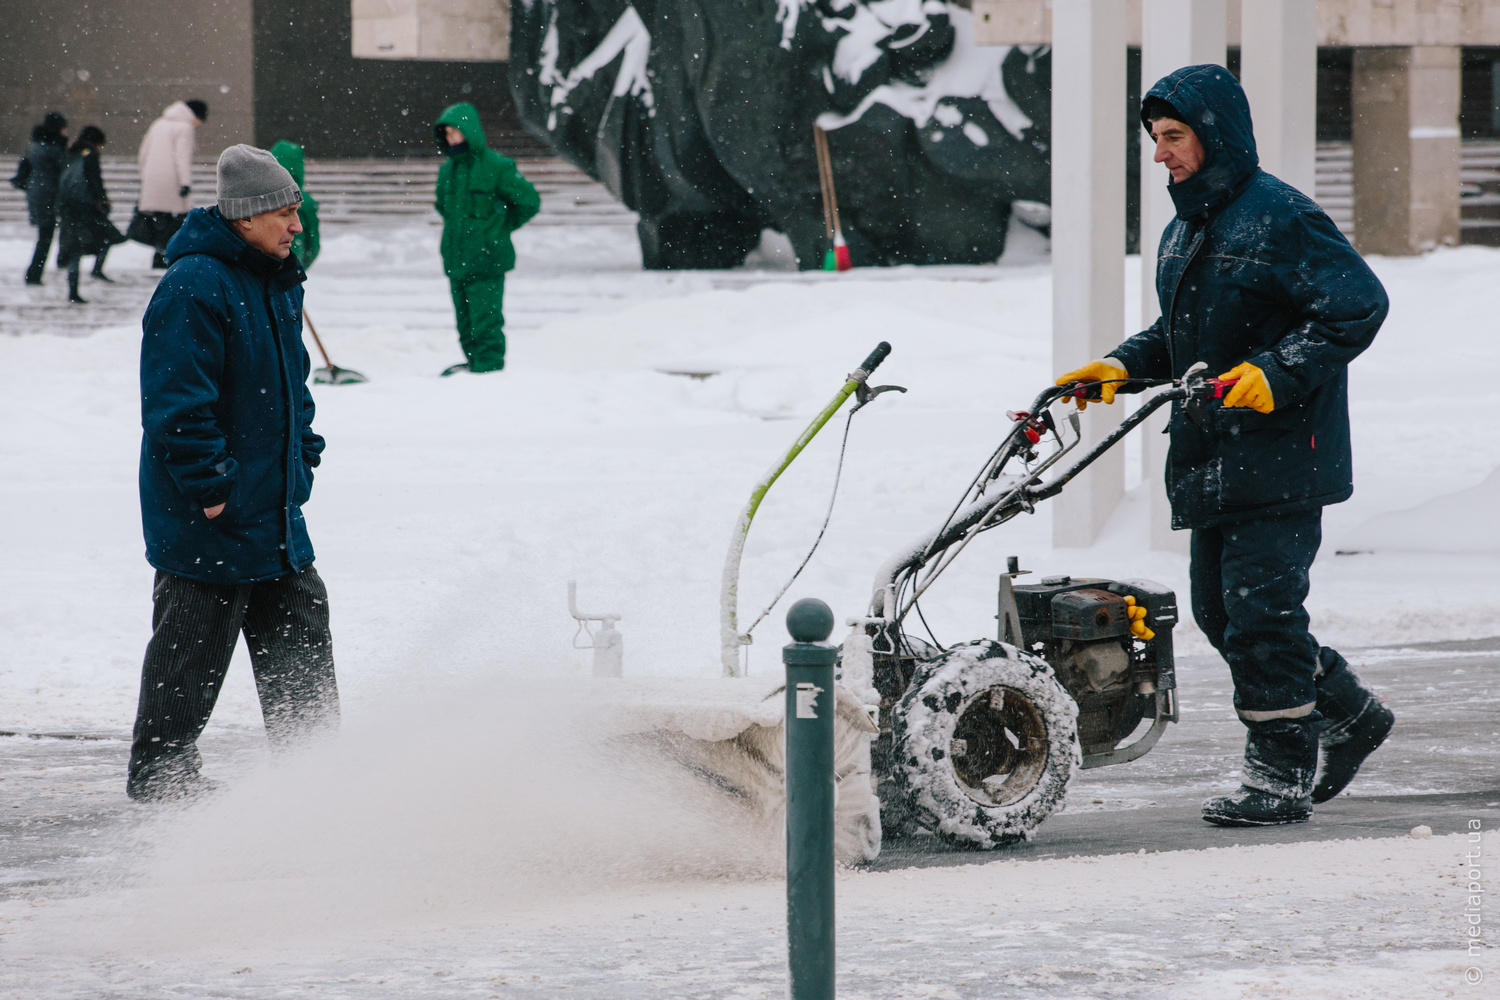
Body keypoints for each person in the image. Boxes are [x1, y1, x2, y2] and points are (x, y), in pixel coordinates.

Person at [1055, 65, 1394, 828]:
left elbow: (1357, 306)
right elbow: (1182, 339)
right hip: (1213, 455)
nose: (1160, 155)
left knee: (1262, 611)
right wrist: (1119, 367)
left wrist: (1278, 372)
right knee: (1220, 611)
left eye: (1173, 138)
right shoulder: (1188, 228)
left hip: (1281, 453)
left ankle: (1279, 773)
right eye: (1154, 139)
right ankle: (1348, 714)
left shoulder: (1281, 217)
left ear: (1214, 135)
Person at [130, 144, 337, 802]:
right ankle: (162, 782)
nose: (296, 225)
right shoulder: (194, 286)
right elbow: (176, 408)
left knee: (302, 640)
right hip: (209, 520)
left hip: (273, 511)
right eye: (285, 212)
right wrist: (214, 492)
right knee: (189, 659)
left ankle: (320, 785)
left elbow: (294, 390)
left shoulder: (273, 279)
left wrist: (301, 459)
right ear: (246, 219)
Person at [432, 102, 540, 376]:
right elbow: (443, 207)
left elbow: (528, 202)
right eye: (447, 133)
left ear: (470, 131)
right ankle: (473, 366)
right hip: (457, 259)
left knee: (486, 322)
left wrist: (497, 229)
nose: (451, 139)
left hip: (487, 259)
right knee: (464, 322)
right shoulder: (448, 171)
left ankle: (490, 372)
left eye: (455, 132)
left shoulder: (497, 166)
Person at [55, 125, 126, 302]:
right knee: (107, 236)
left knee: (74, 250)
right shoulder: (90, 155)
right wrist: (102, 200)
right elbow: (95, 180)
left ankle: (73, 290)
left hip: (68, 206)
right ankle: (96, 270)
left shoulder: (70, 152)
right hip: (86, 208)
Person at [134, 100, 206, 268]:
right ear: (195, 115)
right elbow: (182, 157)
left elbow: (143, 153)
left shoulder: (158, 123)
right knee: (176, 220)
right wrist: (185, 182)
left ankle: (158, 255)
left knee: (160, 220)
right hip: (171, 180)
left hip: (153, 178)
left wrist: (145, 176)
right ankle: (168, 255)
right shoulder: (184, 128)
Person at [12, 111, 68, 285]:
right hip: (48, 195)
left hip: (36, 193)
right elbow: (63, 169)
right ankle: (34, 274)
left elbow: (23, 171)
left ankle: (35, 272)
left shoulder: (34, 145)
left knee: (44, 235)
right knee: (46, 236)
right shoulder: (54, 147)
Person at [270, 140, 320, 269]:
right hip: (294, 263)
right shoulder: (305, 201)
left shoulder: (264, 197)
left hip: (267, 266)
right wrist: (301, 266)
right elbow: (313, 244)